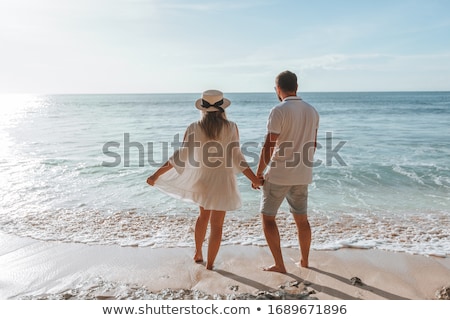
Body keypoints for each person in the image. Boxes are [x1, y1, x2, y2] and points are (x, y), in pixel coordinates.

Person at [147, 89, 262, 270]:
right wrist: (254, 179)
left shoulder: (194, 127)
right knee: (217, 226)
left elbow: (180, 156)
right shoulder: (231, 127)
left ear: (202, 108)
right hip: (224, 182)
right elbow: (237, 158)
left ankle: (198, 252)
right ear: (222, 108)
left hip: (203, 180)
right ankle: (210, 265)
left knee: (203, 216)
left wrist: (156, 174)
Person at [256, 71, 319, 273]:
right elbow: (314, 144)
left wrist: (258, 174)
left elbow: (269, 146)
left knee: (268, 218)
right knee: (302, 219)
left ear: (278, 89)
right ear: (297, 87)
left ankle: (280, 265)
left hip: (279, 174)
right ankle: (305, 261)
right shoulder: (312, 111)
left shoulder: (279, 110)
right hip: (303, 174)